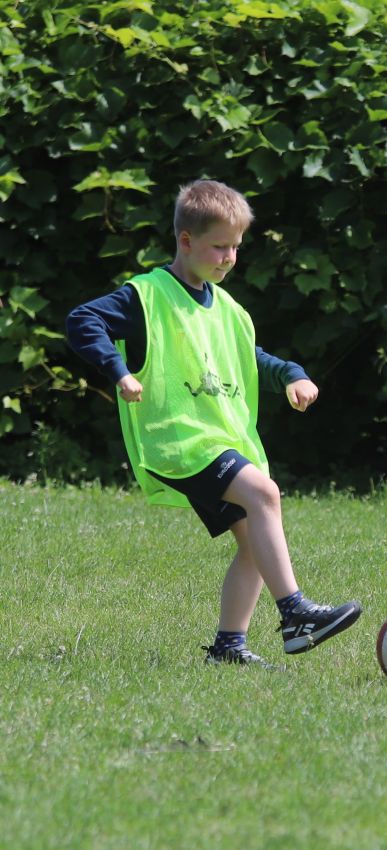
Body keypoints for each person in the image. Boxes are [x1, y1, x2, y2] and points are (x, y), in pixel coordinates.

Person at [65, 179, 361, 666]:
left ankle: (229, 647)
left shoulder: (231, 311)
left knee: (254, 543)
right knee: (265, 495)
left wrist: (292, 374)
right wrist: (118, 370)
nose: (229, 257)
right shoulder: (147, 296)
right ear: (186, 241)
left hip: (216, 440)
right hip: (177, 441)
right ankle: (295, 614)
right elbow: (82, 321)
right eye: (219, 246)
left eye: (236, 247)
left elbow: (252, 357)